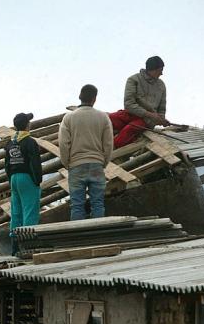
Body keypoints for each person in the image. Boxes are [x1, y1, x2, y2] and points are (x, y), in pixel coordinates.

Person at [59, 84, 113, 220]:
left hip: (76, 166)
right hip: (97, 164)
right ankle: (98, 238)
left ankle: (78, 239)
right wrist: (103, 162)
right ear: (94, 99)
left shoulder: (68, 118)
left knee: (77, 206)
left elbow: (64, 144)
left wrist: (67, 163)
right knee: (98, 204)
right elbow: (108, 143)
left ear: (79, 97)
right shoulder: (103, 117)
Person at [108, 56, 169, 147]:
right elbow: (128, 104)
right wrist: (149, 114)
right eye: (160, 70)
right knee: (107, 119)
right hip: (130, 113)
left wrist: (161, 119)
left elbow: (162, 109)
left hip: (147, 121)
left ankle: (108, 150)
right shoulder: (134, 79)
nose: (161, 73)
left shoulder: (161, 85)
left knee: (128, 131)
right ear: (153, 70)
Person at [5, 112, 42, 255]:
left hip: (14, 178)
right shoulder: (29, 141)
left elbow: (7, 164)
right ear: (27, 125)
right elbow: (35, 163)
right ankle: (28, 245)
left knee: (16, 212)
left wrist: (11, 179)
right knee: (30, 211)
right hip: (27, 178)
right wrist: (37, 180)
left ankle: (15, 245)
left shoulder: (10, 143)